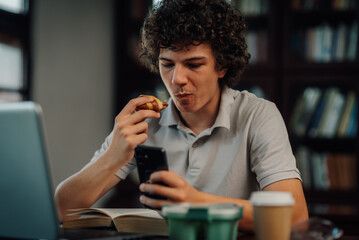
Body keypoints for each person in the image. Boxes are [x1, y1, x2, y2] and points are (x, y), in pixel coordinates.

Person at [55, 0, 308, 232]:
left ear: (222, 66)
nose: (177, 80)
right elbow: (62, 208)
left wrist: (194, 202)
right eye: (167, 65)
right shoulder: (145, 121)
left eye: (194, 64)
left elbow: (296, 217)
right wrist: (112, 156)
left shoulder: (259, 115)